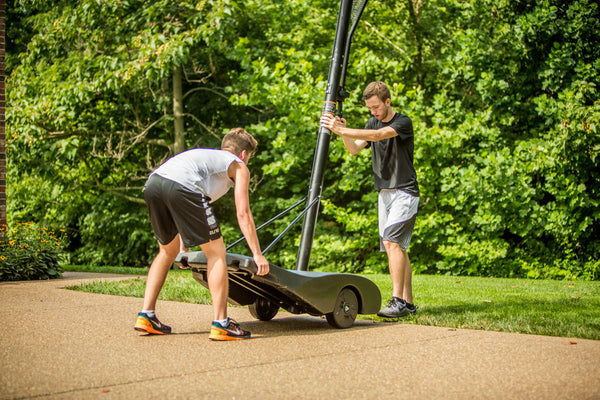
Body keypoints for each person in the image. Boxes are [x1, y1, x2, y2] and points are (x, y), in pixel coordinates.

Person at [135, 127, 270, 340]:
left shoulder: (207, 159)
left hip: (154, 183)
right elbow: (243, 213)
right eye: (249, 156)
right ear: (244, 154)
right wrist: (257, 254)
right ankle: (222, 323)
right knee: (216, 252)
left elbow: (181, 206)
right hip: (182, 187)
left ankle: (146, 315)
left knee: (165, 253)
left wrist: (183, 249)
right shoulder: (239, 166)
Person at [320, 81, 419, 318]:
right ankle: (408, 303)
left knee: (391, 243)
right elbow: (354, 149)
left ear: (388, 101)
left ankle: (396, 301)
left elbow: (377, 136)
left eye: (376, 107)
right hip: (384, 193)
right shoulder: (372, 122)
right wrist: (344, 132)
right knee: (398, 248)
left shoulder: (402, 122)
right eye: (370, 109)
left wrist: (340, 129)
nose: (373, 112)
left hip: (405, 191)